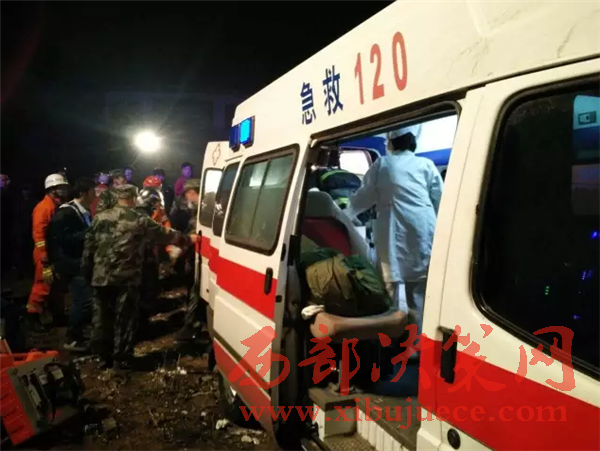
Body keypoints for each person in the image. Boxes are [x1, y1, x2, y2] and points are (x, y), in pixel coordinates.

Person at [82, 184, 195, 370]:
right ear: (133, 198)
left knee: (102, 318)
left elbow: (88, 249)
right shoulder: (139, 219)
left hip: (101, 277)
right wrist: (188, 239)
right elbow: (165, 235)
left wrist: (87, 273)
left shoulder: (100, 218)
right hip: (127, 279)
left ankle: (102, 357)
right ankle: (122, 360)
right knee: (124, 319)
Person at [345, 131, 443, 336]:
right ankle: (416, 342)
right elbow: (439, 198)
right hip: (423, 228)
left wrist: (345, 215)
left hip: (392, 229)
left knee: (389, 287)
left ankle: (390, 338)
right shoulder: (426, 164)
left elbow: (364, 197)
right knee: (418, 292)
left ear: (391, 143)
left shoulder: (383, 164)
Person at [47, 177, 95, 351]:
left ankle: (78, 335)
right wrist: (88, 233)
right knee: (84, 301)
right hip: (71, 264)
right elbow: (60, 240)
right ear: (83, 193)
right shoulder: (66, 213)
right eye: (93, 192)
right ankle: (72, 338)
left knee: (84, 300)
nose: (95, 195)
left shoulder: (83, 211)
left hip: (80, 262)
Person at [27, 173, 70, 326]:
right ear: (52, 189)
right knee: (43, 285)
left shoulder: (55, 206)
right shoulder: (43, 208)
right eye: (61, 188)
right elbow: (38, 233)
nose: (64, 190)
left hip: (54, 252)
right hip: (45, 254)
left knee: (56, 286)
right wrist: (44, 255)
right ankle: (32, 317)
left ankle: (57, 315)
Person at [174, 178, 204, 343]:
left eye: (188, 195)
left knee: (195, 290)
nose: (187, 199)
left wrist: (178, 250)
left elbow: (191, 236)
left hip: (198, 258)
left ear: (193, 193)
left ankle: (191, 326)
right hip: (196, 257)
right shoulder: (202, 209)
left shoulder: (201, 212)